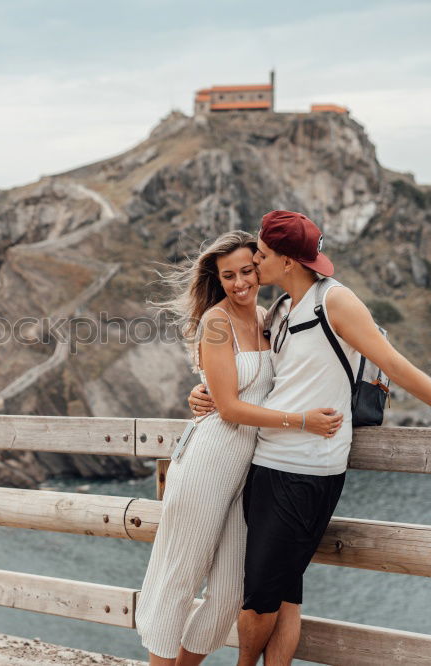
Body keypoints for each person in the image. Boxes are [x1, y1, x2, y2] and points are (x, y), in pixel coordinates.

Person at [187, 210, 431, 666]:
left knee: (259, 597)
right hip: (268, 467)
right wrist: (204, 389)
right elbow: (253, 372)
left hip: (307, 473)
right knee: (284, 596)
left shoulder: (335, 301)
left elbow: (396, 364)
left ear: (286, 261)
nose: (254, 265)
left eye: (260, 256)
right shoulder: (281, 309)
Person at [136, 230, 344, 666]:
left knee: (231, 591)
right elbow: (228, 407)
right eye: (228, 275)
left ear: (260, 267)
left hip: (249, 470)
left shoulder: (268, 318)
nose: (239, 283)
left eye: (247, 271)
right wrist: (302, 422)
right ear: (217, 279)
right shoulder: (216, 320)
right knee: (181, 577)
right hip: (207, 462)